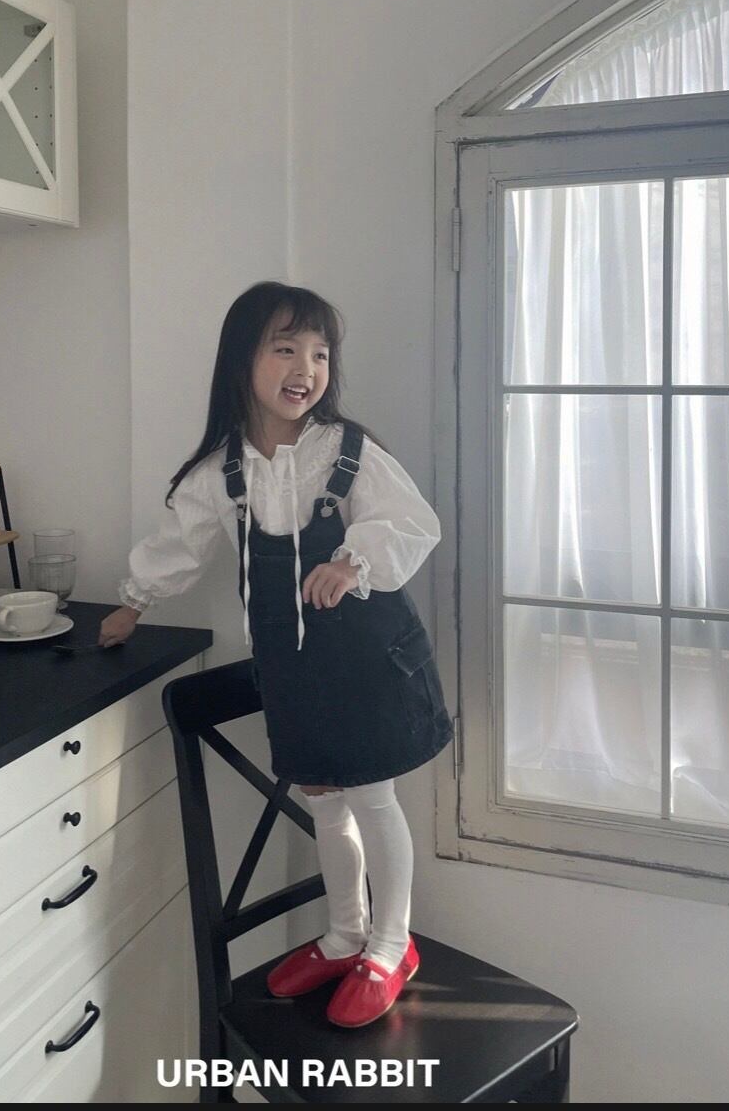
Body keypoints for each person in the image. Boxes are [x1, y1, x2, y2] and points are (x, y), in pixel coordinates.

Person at [99, 280, 453, 1027]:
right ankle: (346, 934)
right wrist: (134, 602)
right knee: (322, 799)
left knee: (373, 797)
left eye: (320, 353)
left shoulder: (345, 452)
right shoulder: (223, 471)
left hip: (366, 663)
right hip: (292, 671)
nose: (306, 368)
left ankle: (392, 945)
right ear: (243, 359)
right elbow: (180, 543)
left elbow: (413, 522)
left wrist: (352, 562)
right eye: (286, 348)